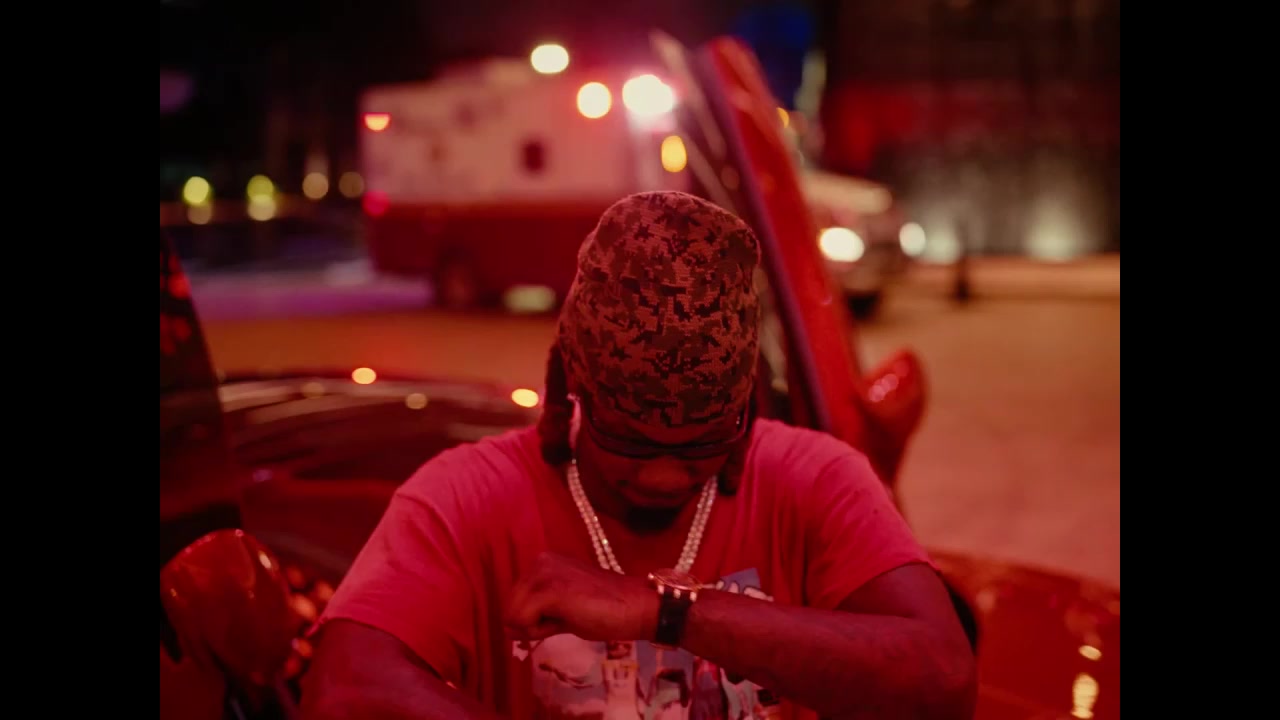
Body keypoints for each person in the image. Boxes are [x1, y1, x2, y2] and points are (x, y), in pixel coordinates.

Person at [300, 191, 976, 720]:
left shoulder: (815, 480)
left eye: (703, 445)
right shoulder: (464, 498)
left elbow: (943, 681)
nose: (662, 476)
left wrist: (666, 613)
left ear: (746, 405)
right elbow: (344, 691)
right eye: (629, 442)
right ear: (570, 383)